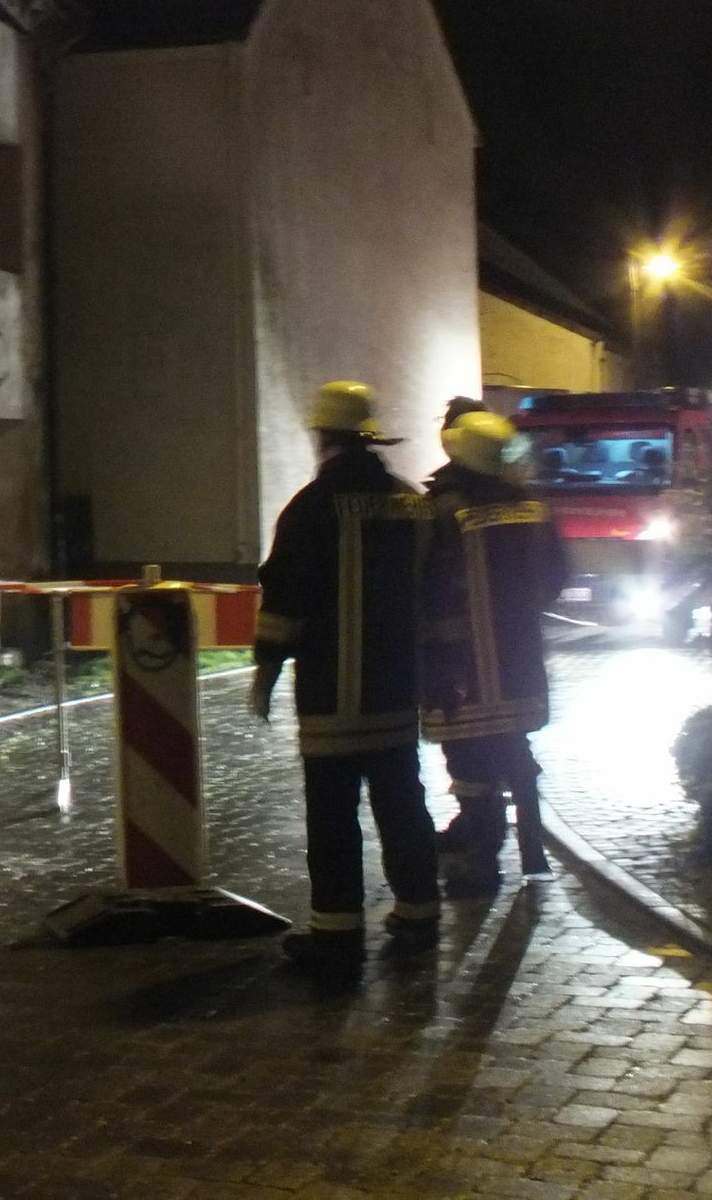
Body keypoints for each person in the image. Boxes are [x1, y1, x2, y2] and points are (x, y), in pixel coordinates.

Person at [251, 382, 441, 978]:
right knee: (403, 804)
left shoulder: (310, 507)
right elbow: (434, 594)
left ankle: (336, 938)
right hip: (397, 695)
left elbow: (285, 600)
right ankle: (419, 914)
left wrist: (266, 672)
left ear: (323, 437)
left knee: (333, 817)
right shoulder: (412, 503)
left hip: (331, 697)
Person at [421, 407, 568, 894]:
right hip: (519, 666)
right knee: (514, 749)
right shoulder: (532, 507)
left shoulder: (441, 511)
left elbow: (417, 584)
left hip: (457, 668)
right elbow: (555, 579)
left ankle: (481, 863)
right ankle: (529, 850)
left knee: (469, 763)